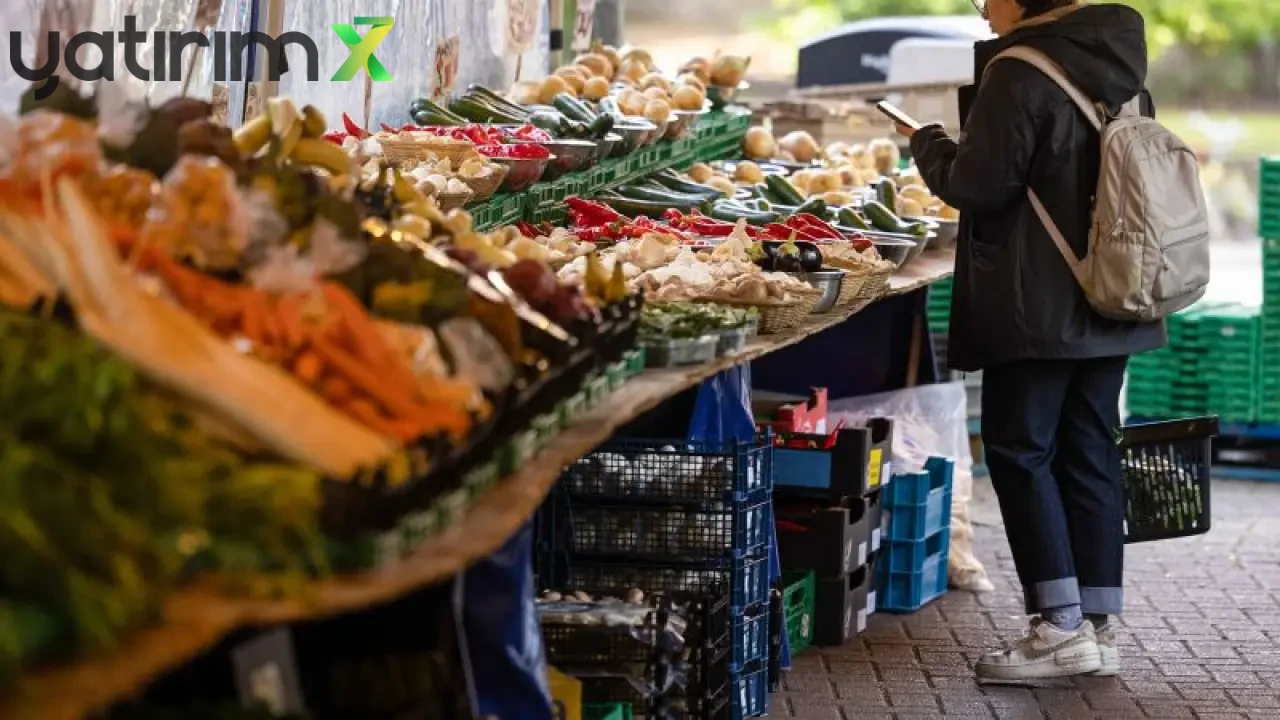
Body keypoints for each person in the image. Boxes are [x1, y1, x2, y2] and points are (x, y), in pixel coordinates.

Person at [893, 0, 1166, 681]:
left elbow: (978, 186)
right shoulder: (1121, 62)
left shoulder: (1019, 69)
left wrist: (927, 144)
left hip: (1036, 302)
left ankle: (1056, 627)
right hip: (1114, 292)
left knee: (1021, 451)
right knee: (1090, 449)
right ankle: (1096, 627)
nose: (984, 8)